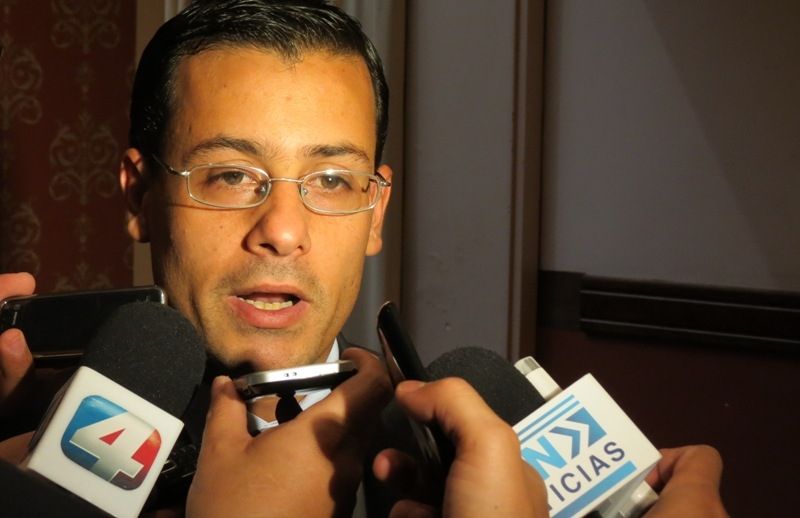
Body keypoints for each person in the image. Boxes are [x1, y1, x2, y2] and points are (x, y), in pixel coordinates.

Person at [0, 1, 729, 516]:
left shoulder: (460, 466)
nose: (284, 232)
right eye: (230, 176)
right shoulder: (31, 460)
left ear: (375, 212)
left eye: (330, 180)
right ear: (139, 196)